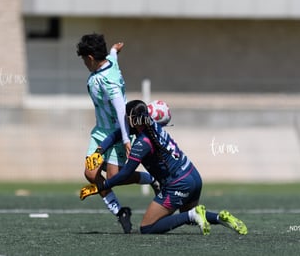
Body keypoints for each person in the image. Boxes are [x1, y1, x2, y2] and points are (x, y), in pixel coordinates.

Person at [80, 100, 248, 235]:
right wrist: (99, 151)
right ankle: (220, 217)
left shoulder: (142, 143)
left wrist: (100, 187)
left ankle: (194, 214)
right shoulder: (151, 124)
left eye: (126, 118)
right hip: (193, 175)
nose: (123, 122)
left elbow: (125, 174)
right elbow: (117, 134)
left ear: (133, 120)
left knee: (147, 227)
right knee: (187, 215)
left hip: (178, 183)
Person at [76, 34, 156, 233]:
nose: (84, 63)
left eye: (84, 59)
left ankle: (152, 179)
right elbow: (113, 57)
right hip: (99, 133)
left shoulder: (108, 82)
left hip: (116, 133)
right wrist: (114, 50)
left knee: (115, 175)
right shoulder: (109, 62)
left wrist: (126, 138)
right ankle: (120, 212)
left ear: (91, 58)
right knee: (91, 173)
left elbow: (121, 110)